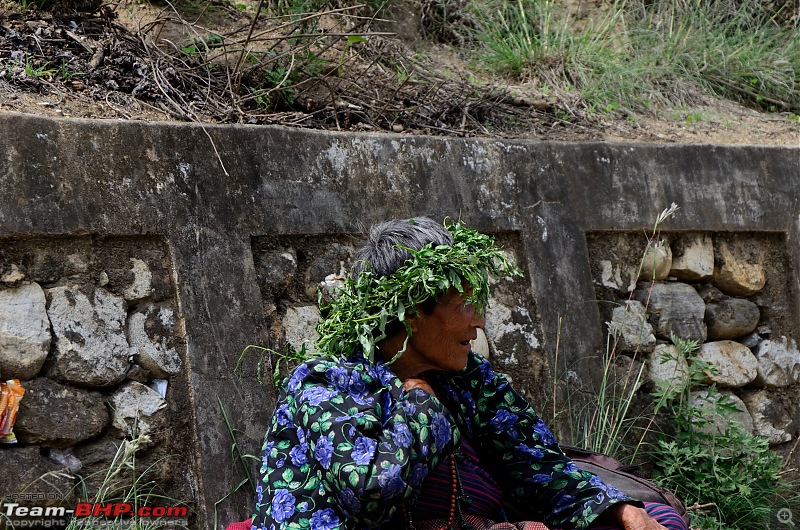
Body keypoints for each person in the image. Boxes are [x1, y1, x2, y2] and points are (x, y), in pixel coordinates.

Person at [246, 217, 688, 530]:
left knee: (654, 520)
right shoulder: (325, 381)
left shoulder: (470, 380)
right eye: (466, 307)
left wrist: (619, 510)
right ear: (411, 312)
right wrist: (418, 399)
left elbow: (538, 466)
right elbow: (371, 492)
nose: (478, 324)